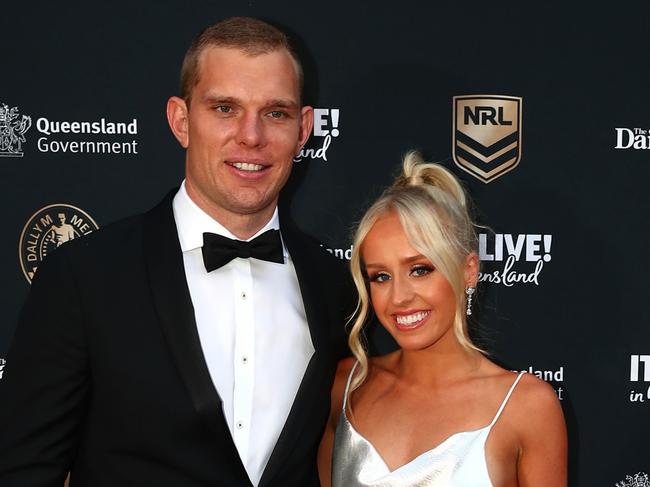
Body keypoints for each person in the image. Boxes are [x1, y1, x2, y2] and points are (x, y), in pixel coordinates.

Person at [0, 17, 350, 487]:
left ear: (304, 128)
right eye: (225, 108)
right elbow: (23, 470)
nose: (251, 136)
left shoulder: (337, 286)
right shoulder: (84, 276)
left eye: (276, 113)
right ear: (181, 120)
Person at [318, 152, 567, 486]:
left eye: (420, 270)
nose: (399, 297)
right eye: (380, 277)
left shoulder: (527, 406)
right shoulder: (345, 385)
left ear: (469, 271)